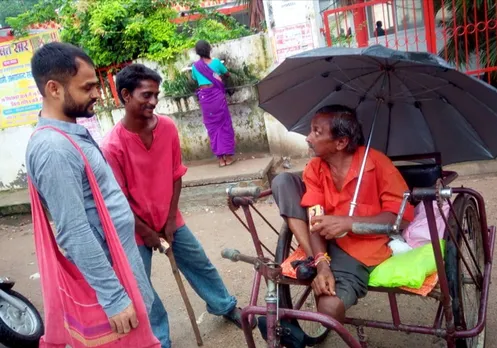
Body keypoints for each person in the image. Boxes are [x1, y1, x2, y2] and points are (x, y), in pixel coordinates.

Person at [100, 63, 255, 348]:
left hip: (169, 218)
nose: (154, 101)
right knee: (141, 288)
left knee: (199, 263)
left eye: (156, 94)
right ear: (125, 95)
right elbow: (117, 200)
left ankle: (224, 305)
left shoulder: (168, 128)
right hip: (133, 227)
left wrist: (170, 219)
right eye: (146, 95)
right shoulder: (112, 146)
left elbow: (175, 176)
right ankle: (159, 338)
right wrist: (147, 232)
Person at [26, 42, 154, 335]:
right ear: (54, 89)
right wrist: (114, 298)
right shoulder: (54, 149)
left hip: (121, 269)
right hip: (112, 287)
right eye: (88, 88)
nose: (97, 94)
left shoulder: (67, 135)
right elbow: (74, 230)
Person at [263, 105, 414, 346]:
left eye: (316, 132)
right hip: (321, 241)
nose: (308, 138)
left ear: (341, 142)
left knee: (329, 309)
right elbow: (315, 215)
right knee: (283, 182)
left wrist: (349, 222)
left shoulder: (377, 163)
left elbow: (401, 217)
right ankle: (314, 262)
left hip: (360, 247)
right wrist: (322, 264)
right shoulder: (315, 167)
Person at [191, 39, 236, 167]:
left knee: (212, 127)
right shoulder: (216, 63)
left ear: (198, 52)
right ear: (209, 49)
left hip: (205, 99)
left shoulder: (195, 66)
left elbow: (195, 78)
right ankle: (228, 157)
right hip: (217, 97)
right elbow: (227, 73)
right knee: (224, 125)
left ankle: (221, 160)